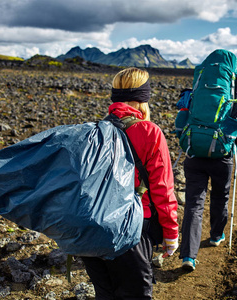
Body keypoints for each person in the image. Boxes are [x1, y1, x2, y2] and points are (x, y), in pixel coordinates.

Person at [81, 67, 179, 299]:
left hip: (93, 228)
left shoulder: (94, 130)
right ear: (143, 98)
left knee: (105, 294)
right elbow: (162, 189)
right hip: (132, 228)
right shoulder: (149, 132)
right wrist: (171, 233)